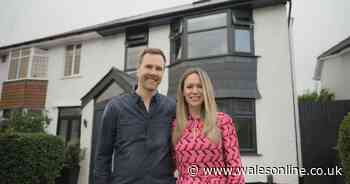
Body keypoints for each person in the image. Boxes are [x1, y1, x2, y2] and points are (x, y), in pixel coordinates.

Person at [94, 48, 176, 184]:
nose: (153, 72)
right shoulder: (115, 107)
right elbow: (103, 157)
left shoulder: (172, 107)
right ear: (138, 69)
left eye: (158, 69)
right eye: (148, 67)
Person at [172, 68, 245, 184]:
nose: (195, 91)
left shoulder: (223, 121)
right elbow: (169, 166)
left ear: (207, 90)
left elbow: (235, 168)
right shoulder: (176, 125)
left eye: (200, 86)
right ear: (183, 92)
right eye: (189, 87)